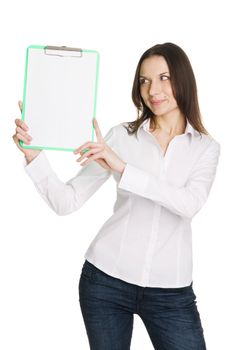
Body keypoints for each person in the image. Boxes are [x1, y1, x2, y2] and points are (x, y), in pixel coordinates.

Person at [12, 42, 220, 350]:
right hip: (105, 281)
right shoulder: (121, 136)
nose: (153, 90)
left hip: (170, 293)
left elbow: (188, 204)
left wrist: (123, 168)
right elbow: (66, 201)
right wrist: (33, 156)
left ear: (183, 79)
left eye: (164, 77)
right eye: (144, 80)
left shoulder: (205, 147)